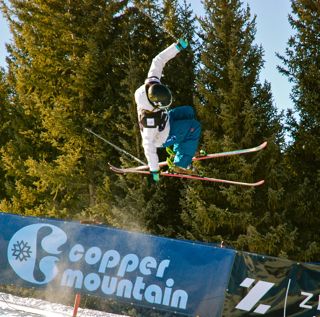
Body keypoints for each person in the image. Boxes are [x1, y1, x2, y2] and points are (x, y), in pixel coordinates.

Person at [134, 39, 201, 182]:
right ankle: (181, 164)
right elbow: (148, 145)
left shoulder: (152, 82)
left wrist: (176, 47)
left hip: (165, 120)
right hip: (162, 136)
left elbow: (158, 60)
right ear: (154, 105)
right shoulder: (149, 121)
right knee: (194, 127)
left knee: (188, 111)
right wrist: (154, 169)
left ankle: (182, 149)